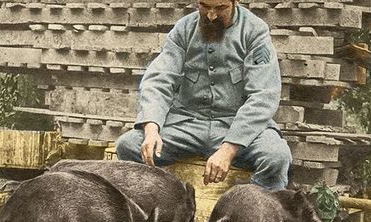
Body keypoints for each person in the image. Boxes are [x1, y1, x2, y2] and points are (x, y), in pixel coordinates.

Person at [116, 0, 292, 190]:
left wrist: (228, 149)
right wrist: (152, 130)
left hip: (235, 126)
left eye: (220, 8)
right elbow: (159, 79)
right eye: (205, 6)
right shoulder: (184, 29)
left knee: (277, 157)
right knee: (128, 146)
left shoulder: (254, 31)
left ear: (235, 2)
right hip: (186, 124)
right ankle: (153, 210)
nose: (211, 15)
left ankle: (259, 214)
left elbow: (263, 96)